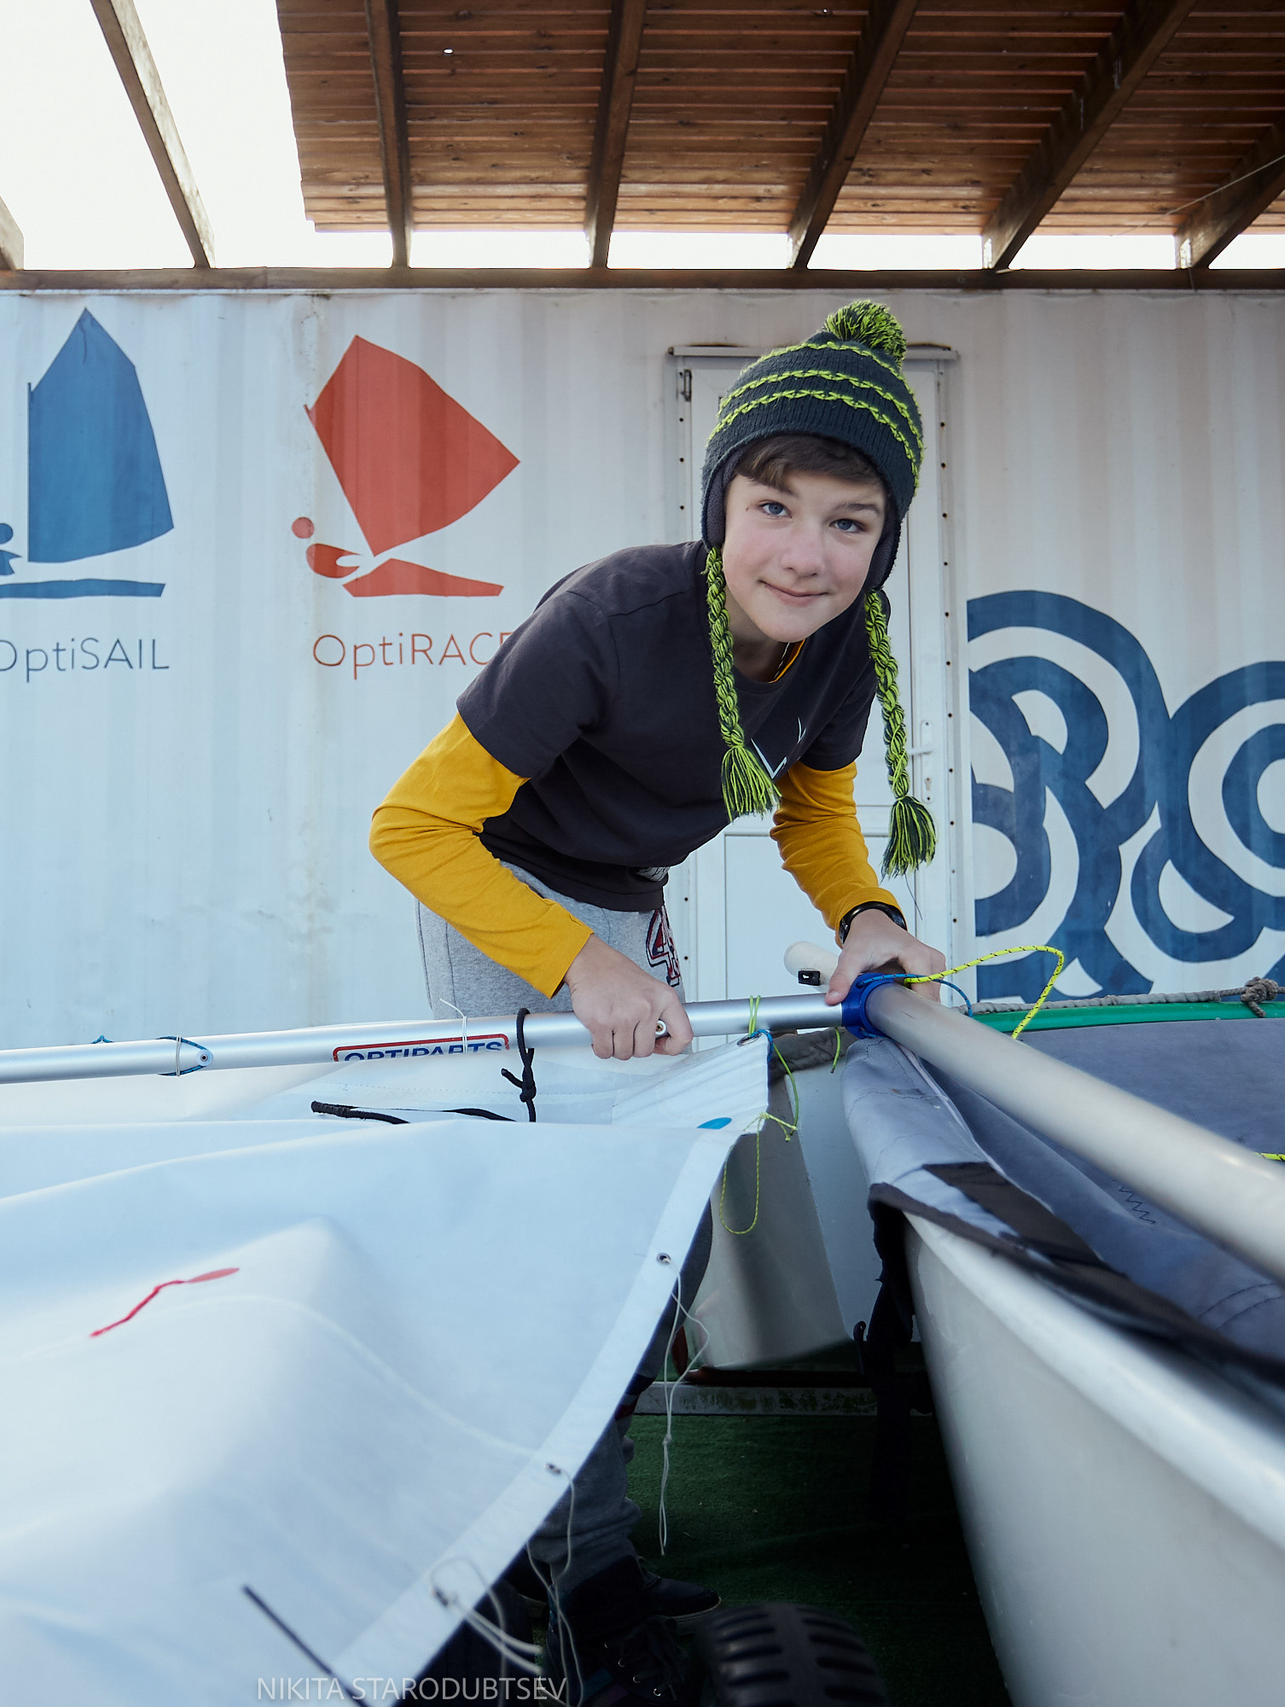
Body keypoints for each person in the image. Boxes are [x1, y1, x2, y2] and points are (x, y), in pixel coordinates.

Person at [368, 301, 948, 1703]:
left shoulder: (844, 646)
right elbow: (413, 828)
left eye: (852, 522)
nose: (808, 553)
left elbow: (811, 813)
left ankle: (589, 1546)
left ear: (885, 538)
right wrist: (580, 959)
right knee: (566, 1254)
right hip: (510, 894)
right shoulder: (617, 613)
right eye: (774, 505)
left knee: (656, 1245)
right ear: (720, 501)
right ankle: (546, 1577)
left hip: (626, 900)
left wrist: (867, 911)